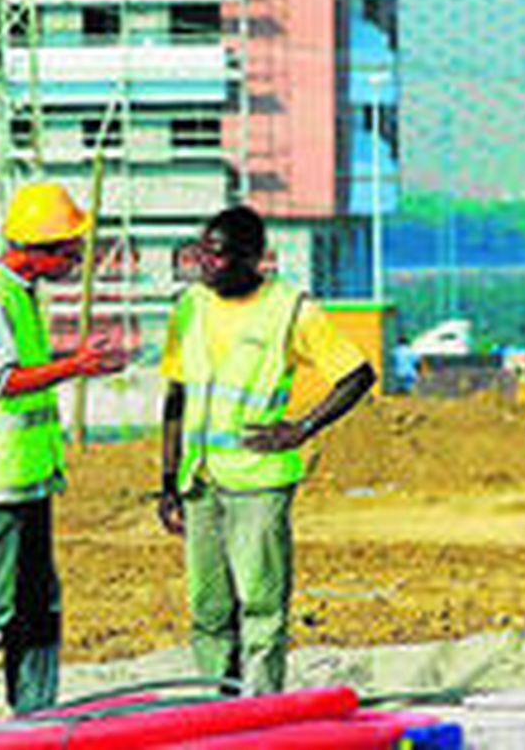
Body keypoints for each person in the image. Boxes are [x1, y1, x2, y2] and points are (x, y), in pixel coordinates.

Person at [156, 205, 376, 695]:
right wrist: (168, 482)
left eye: (218, 255)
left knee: (260, 604)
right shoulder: (189, 306)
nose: (206, 263)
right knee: (208, 607)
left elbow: (357, 375)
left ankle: (259, 704)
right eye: (201, 253)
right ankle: (214, 702)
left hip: (258, 482)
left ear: (254, 259)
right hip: (201, 481)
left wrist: (303, 428)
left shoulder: (291, 309)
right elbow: (175, 397)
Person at [0, 181, 127, 723]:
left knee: (39, 601)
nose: (75, 261)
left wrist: (71, 361)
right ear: (37, 251)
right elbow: (2, 381)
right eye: (69, 252)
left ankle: (36, 714)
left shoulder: (20, 295)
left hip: (27, 476)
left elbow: (25, 373)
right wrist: (75, 366)